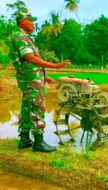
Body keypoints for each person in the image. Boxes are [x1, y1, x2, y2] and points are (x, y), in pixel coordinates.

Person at [10, 10, 71, 152]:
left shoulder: (25, 37)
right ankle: (39, 142)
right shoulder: (20, 37)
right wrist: (55, 65)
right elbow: (30, 58)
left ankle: (24, 139)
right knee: (38, 107)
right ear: (22, 21)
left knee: (26, 108)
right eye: (30, 20)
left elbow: (30, 62)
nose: (33, 23)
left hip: (30, 78)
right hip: (31, 80)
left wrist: (44, 75)